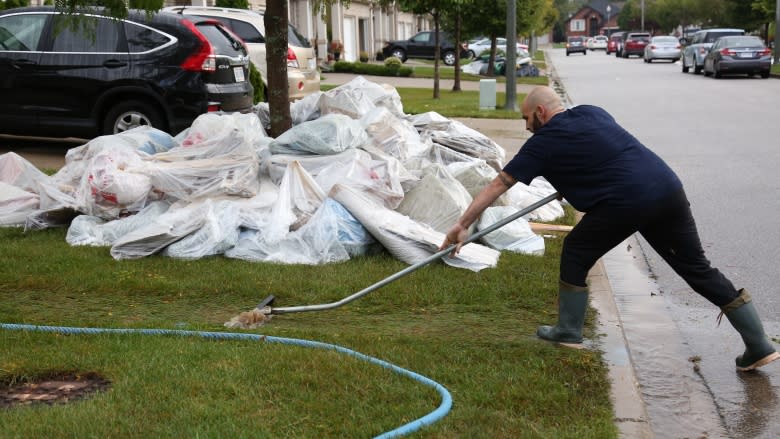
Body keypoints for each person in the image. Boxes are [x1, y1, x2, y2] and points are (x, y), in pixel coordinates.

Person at [440, 86, 779, 372]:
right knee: (697, 269)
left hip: (627, 200)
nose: (527, 127)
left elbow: (500, 183)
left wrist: (462, 224)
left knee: (575, 250)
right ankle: (759, 344)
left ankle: (568, 331)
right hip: (666, 187)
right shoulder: (593, 112)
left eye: (526, 119)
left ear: (540, 112)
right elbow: (600, 150)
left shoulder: (542, 143)